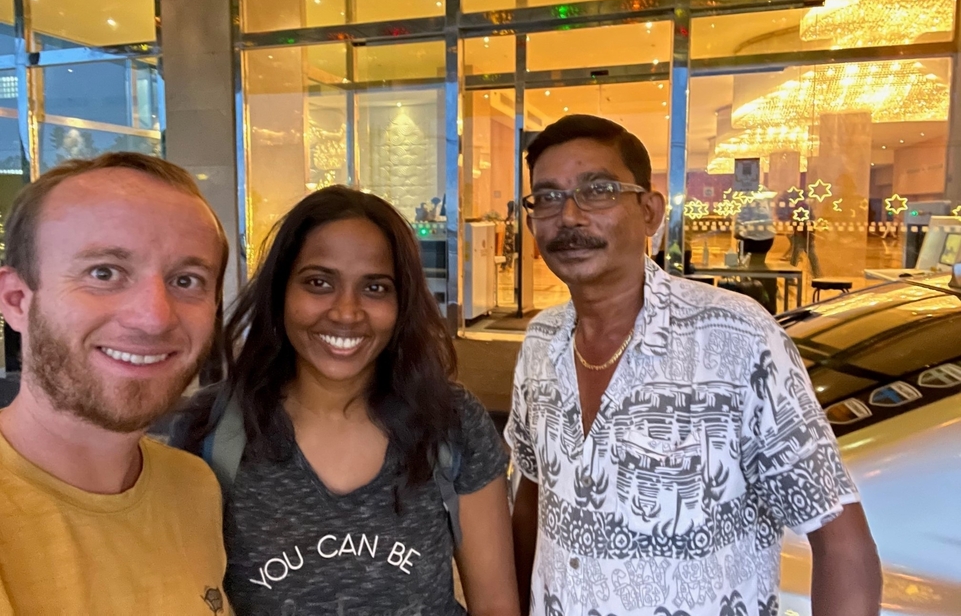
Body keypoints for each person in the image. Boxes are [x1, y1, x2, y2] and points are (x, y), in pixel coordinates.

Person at [507, 114, 881, 616]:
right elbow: (533, 498)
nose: (569, 216)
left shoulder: (737, 337)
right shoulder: (541, 340)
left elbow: (839, 540)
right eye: (547, 197)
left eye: (597, 190)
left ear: (649, 211)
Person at [173, 186, 520, 616]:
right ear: (281, 290)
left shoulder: (451, 421)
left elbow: (496, 604)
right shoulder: (210, 429)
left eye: (375, 288)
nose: (346, 312)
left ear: (402, 302)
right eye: (319, 283)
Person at [0, 153, 230, 613]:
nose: (154, 318)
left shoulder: (193, 487)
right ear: (16, 300)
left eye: (187, 280)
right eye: (104, 273)